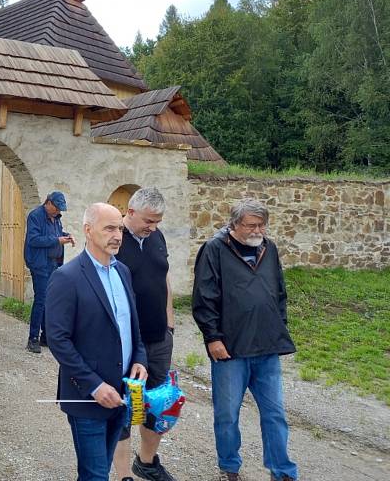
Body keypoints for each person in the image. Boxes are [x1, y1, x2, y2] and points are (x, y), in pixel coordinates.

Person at [192, 198, 298, 481]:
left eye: (262, 225)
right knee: (227, 416)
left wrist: (280, 325)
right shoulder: (214, 249)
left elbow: (279, 292)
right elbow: (204, 298)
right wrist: (212, 338)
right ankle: (229, 466)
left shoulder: (269, 248)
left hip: (267, 347)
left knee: (275, 414)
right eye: (251, 225)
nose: (258, 230)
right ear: (234, 224)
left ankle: (283, 471)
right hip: (230, 350)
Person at [46, 202, 148, 481]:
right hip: (87, 398)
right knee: (94, 475)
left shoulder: (122, 272)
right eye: (109, 228)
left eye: (120, 229)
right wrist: (93, 385)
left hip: (121, 393)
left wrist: (140, 359)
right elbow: (58, 339)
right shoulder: (66, 277)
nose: (117, 235)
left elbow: (132, 327)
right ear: (88, 231)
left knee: (101, 470)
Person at [112, 188, 177, 481]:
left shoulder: (157, 238)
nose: (153, 227)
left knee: (158, 403)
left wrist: (170, 321)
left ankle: (146, 463)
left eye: (158, 221)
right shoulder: (114, 240)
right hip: (125, 343)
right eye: (149, 221)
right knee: (124, 406)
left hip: (159, 337)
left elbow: (164, 276)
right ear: (131, 212)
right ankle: (124, 474)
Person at [23, 191, 74, 353]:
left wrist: (66, 236)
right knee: (41, 300)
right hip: (40, 264)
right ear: (49, 203)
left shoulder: (56, 219)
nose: (59, 212)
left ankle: (45, 336)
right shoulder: (35, 216)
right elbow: (34, 240)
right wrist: (57, 240)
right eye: (57, 208)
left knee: (50, 300)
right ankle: (33, 339)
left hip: (54, 263)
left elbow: (56, 235)